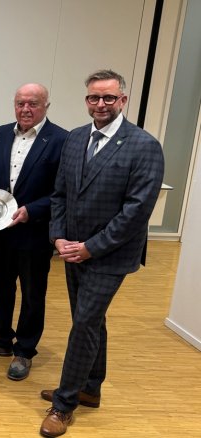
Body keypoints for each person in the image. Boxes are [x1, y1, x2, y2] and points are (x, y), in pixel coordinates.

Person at [39, 70, 164, 437]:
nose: (101, 104)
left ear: (122, 100)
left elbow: (137, 210)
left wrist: (92, 248)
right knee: (90, 319)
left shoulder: (144, 145)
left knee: (83, 323)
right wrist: (58, 237)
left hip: (109, 255)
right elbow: (60, 193)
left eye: (109, 98)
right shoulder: (76, 139)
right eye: (94, 98)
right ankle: (90, 387)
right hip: (72, 249)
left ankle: (63, 405)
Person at [0, 83, 68, 381]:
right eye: (20, 103)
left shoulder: (61, 139)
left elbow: (62, 191)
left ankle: (24, 350)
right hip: (1, 228)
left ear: (46, 106)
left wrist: (31, 211)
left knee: (33, 293)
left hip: (34, 230)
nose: (25, 109)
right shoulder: (1, 133)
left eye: (32, 103)